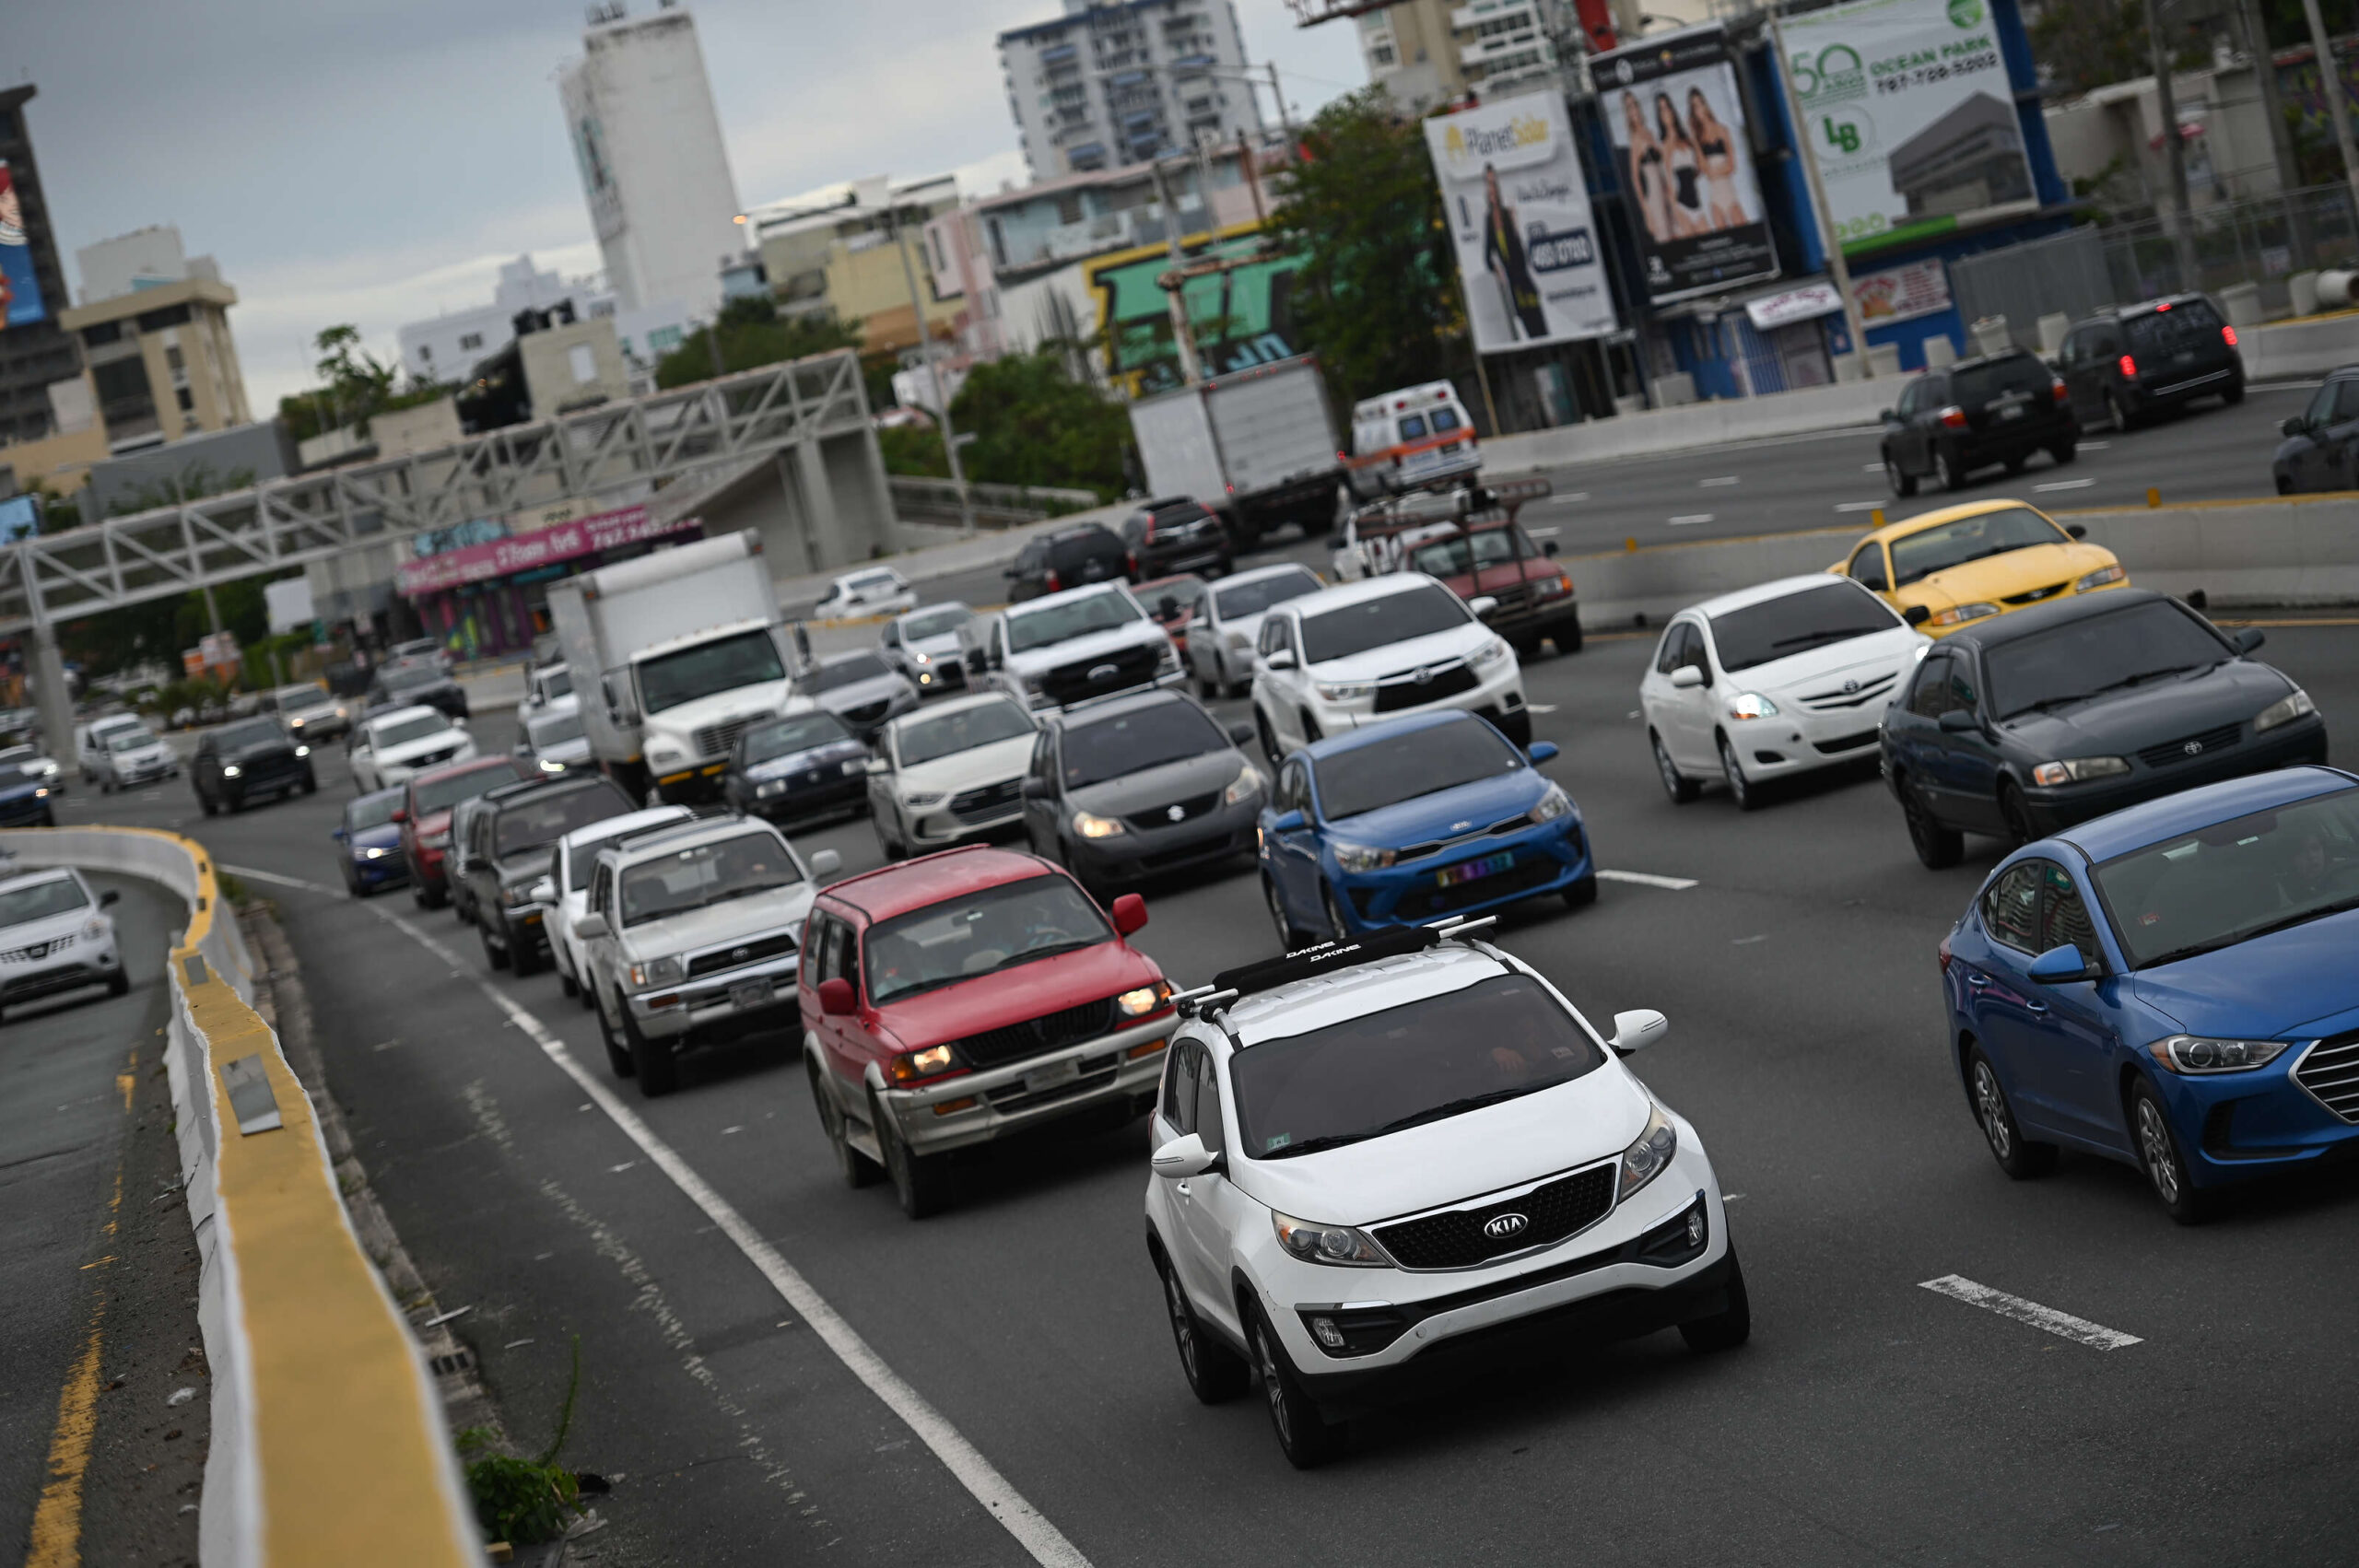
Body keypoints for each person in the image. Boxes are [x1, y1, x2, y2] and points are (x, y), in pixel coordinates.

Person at [1480, 164, 1550, 342]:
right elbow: (1487, 255)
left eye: (1494, 184)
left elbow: (1521, 246)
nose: (1492, 190)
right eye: (1489, 185)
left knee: (1538, 320)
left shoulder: (1507, 213)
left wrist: (1515, 223)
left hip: (1523, 277)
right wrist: (1497, 271)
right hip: (1511, 281)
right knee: (1525, 322)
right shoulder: (1488, 220)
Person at [1689, 87, 1748, 232]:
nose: (1700, 109)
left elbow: (1732, 167)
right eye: (1695, 106)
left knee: (1745, 234)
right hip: (1714, 199)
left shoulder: (1722, 129)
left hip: (1730, 195)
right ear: (1693, 112)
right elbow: (1704, 170)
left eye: (1700, 103)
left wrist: (1714, 171)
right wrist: (1694, 140)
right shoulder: (1698, 139)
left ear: (1706, 104)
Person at [1622, 92, 1670, 246]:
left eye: (1635, 104)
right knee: (1664, 235)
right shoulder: (1635, 139)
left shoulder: (1650, 133)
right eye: (1630, 107)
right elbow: (1635, 177)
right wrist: (1646, 212)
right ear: (1627, 113)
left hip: (1666, 190)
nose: (1634, 109)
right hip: (1653, 194)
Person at [1656, 93, 1706, 240]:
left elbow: (1701, 168)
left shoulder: (1686, 139)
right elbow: (1668, 181)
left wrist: (1694, 138)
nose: (1666, 112)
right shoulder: (1665, 145)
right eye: (1662, 109)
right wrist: (1676, 213)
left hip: (1697, 203)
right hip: (1681, 206)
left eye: (1667, 107)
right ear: (1659, 116)